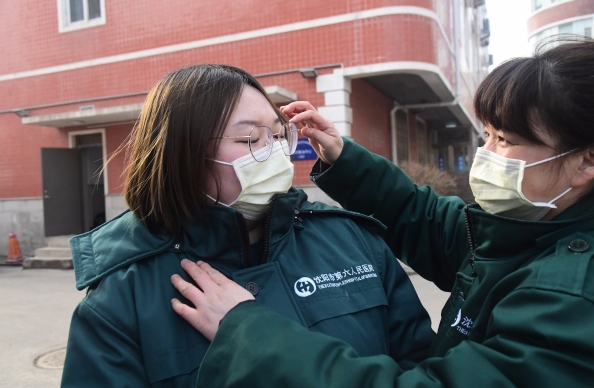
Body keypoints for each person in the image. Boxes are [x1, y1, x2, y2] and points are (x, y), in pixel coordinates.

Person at [172, 39, 594, 387]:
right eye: (486, 135)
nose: (486, 153)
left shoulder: (573, 299)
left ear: (586, 162)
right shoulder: (526, 230)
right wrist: (344, 160)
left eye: (506, 139)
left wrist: (248, 335)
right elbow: (419, 215)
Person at [60, 64, 435, 387]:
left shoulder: (352, 239)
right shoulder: (121, 298)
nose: (273, 150)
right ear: (182, 156)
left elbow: (419, 366)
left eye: (277, 134)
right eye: (250, 138)